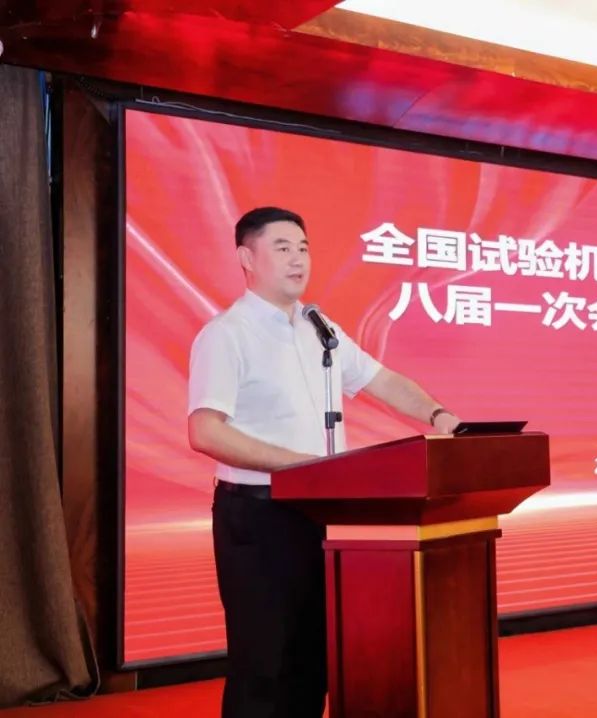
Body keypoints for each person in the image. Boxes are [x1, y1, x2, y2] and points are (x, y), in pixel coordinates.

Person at [187, 206, 460, 718]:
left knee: (315, 658)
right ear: (247, 258)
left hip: (323, 513)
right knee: (266, 664)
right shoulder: (227, 334)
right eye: (282, 248)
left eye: (304, 248)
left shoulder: (320, 330)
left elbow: (383, 381)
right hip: (259, 517)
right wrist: (303, 467)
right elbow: (204, 431)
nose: (298, 259)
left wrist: (439, 415)